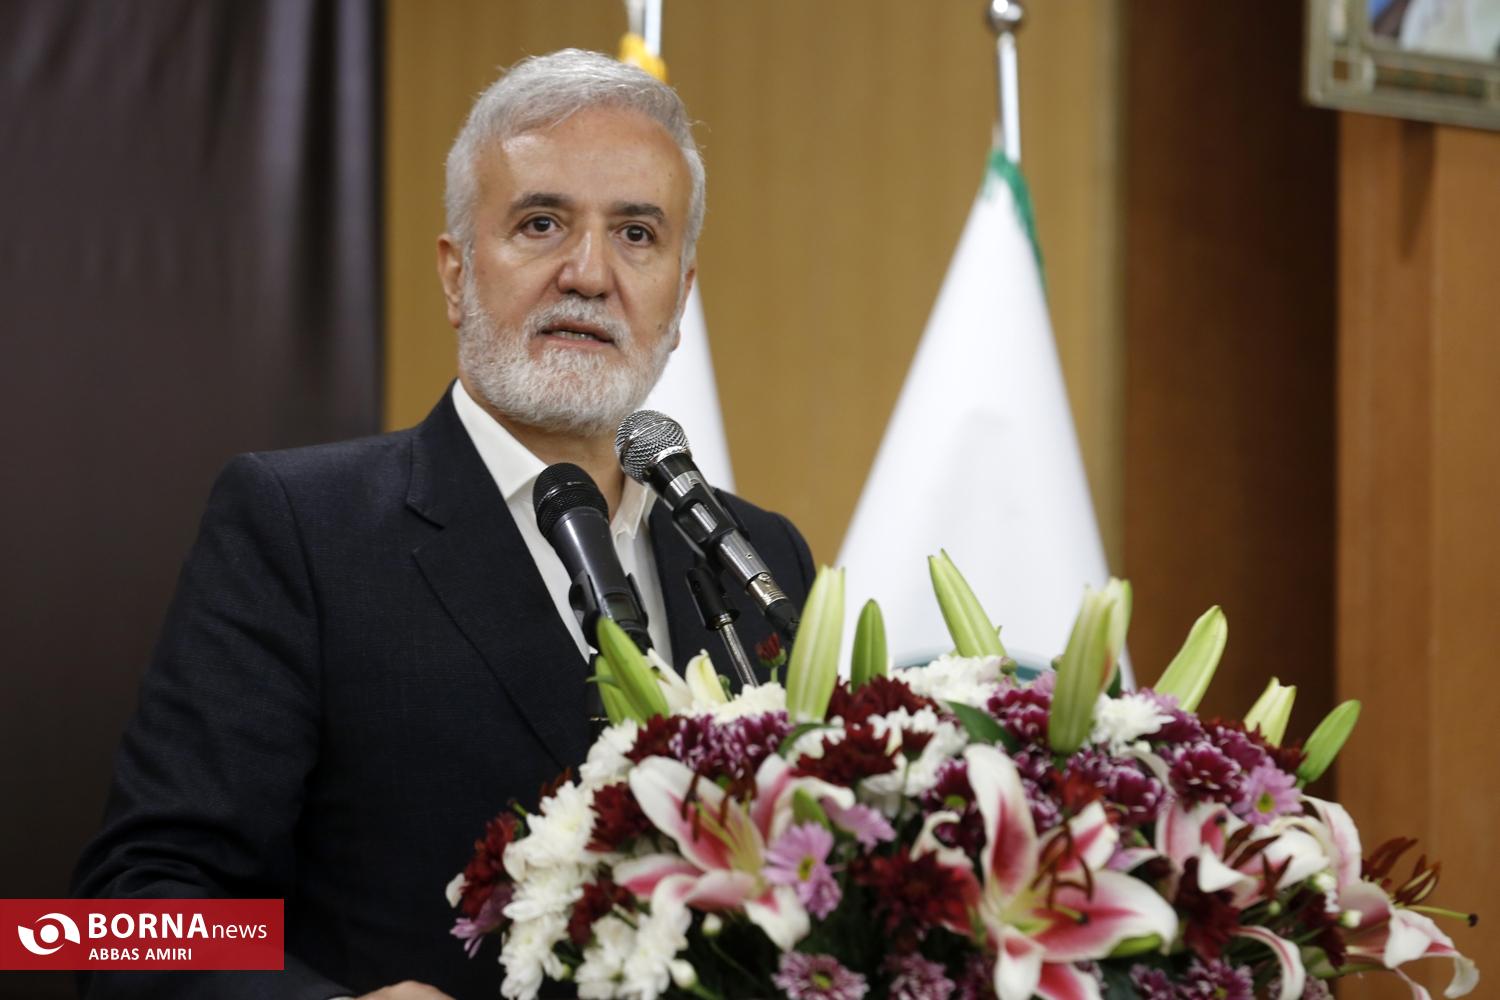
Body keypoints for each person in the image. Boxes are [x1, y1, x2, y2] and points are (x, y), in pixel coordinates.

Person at [73, 49, 814, 1000]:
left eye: (637, 234)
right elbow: (119, 919)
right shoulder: (300, 527)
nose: (590, 273)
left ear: (681, 293)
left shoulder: (758, 558)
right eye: (541, 224)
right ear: (456, 274)